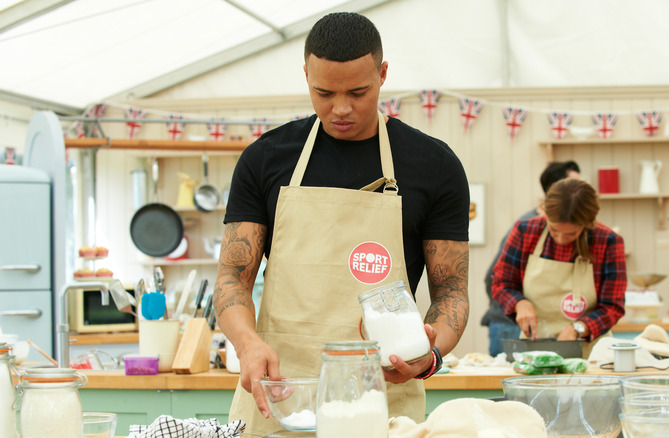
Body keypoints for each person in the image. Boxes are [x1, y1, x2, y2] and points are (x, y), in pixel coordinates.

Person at [214, 12, 470, 435]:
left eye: (358, 91)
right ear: (306, 75)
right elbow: (231, 277)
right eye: (324, 93)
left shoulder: (434, 166)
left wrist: (431, 353)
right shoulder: (265, 158)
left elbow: (452, 291)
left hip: (382, 401)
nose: (341, 109)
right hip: (278, 399)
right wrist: (247, 343)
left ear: (383, 74)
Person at [491, 178, 626, 358]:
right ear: (545, 214)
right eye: (554, 230)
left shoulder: (608, 241)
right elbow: (501, 283)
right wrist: (520, 303)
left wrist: (578, 328)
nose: (561, 239)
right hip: (533, 351)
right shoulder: (525, 232)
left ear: (587, 223)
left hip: (591, 356)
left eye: (571, 233)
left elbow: (612, 307)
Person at [481, 161, 580, 356]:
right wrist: (518, 305)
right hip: (511, 324)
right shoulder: (527, 227)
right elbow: (493, 279)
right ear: (555, 190)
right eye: (574, 186)